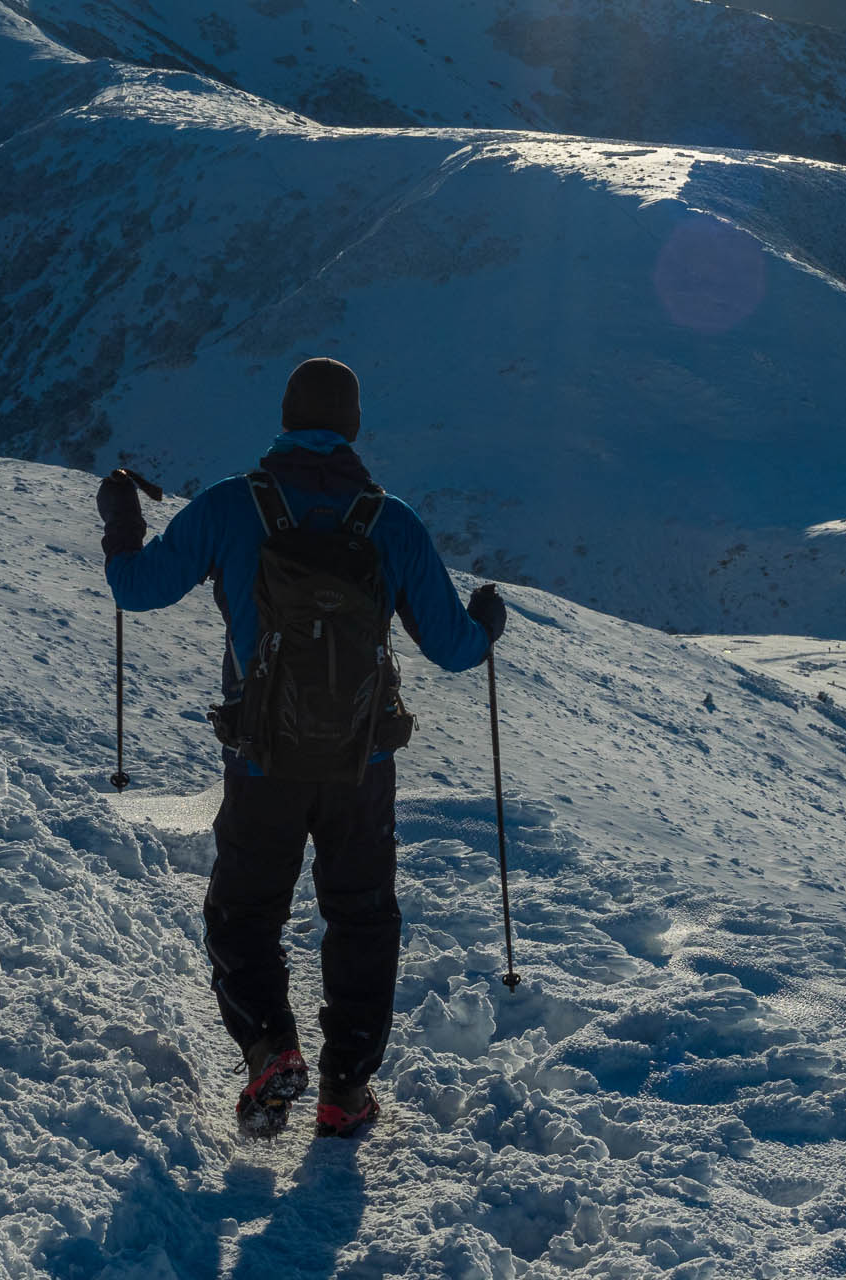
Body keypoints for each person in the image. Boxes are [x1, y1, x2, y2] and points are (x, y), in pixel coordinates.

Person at [96, 356, 507, 1139]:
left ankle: (269, 1050)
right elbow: (454, 650)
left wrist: (121, 519)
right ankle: (344, 1092)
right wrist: (488, 621)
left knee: (244, 912)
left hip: (262, 762)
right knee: (362, 918)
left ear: (285, 421)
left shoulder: (231, 506)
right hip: (363, 766)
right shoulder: (392, 521)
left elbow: (136, 587)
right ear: (353, 428)